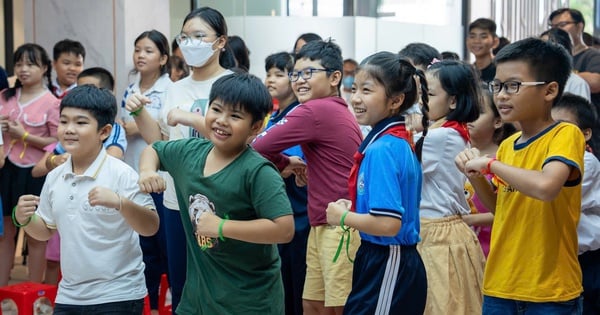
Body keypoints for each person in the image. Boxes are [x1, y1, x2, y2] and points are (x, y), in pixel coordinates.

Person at [138, 72, 293, 314]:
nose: (222, 120)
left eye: (235, 116)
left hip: (249, 303)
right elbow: (155, 150)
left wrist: (220, 227)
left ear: (255, 126)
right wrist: (147, 171)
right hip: (197, 300)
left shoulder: (258, 172)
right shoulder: (189, 153)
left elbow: (284, 229)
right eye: (216, 109)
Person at [456, 37, 584, 313]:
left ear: (550, 90)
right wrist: (476, 176)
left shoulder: (564, 134)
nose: (501, 95)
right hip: (501, 283)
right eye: (498, 86)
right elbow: (502, 208)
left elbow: (546, 187)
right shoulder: (508, 146)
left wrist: (489, 166)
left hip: (549, 290)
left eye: (513, 86)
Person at [123, 7, 234, 313]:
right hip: (176, 199)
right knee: (182, 284)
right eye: (185, 37)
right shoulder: (175, 87)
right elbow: (159, 142)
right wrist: (138, 112)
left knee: (219, 284)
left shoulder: (232, 84)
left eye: (199, 36)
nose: (190, 43)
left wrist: (191, 118)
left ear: (221, 42)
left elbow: (239, 140)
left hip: (221, 198)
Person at [14, 85, 158, 314]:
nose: (69, 129)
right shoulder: (54, 176)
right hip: (69, 296)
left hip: (118, 295)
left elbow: (150, 226)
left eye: (80, 123)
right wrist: (24, 218)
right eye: (64, 121)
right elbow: (45, 230)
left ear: (104, 132)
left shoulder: (122, 173)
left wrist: (121, 203)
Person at [252, 39, 363, 315]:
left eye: (309, 73)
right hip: (325, 224)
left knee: (336, 307)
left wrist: (284, 161)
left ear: (335, 77)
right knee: (313, 305)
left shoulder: (315, 110)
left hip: (339, 226)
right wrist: (293, 164)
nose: (300, 81)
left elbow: (257, 146)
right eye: (296, 74)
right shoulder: (331, 108)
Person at [325, 51, 428, 314]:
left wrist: (343, 217)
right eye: (355, 88)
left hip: (389, 259)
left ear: (395, 101)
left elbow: (388, 224)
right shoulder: (391, 140)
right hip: (384, 260)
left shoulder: (383, 148)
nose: (356, 98)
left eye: (367, 90)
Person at [32, 67, 127, 286]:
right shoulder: (67, 142)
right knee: (55, 260)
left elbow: (113, 156)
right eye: (64, 122)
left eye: (91, 89)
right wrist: (54, 161)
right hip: (65, 210)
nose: (70, 128)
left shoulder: (114, 136)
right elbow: (38, 169)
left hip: (112, 280)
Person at [418, 59, 485, 314]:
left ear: (453, 101)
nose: (421, 101)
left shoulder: (441, 136)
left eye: (430, 94)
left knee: (441, 306)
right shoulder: (444, 131)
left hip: (437, 235)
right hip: (440, 232)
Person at [119, 29, 172, 315]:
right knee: (143, 249)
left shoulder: (169, 88)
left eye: (148, 50)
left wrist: (136, 124)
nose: (140, 55)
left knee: (164, 247)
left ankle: (168, 302)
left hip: (160, 178)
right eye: (138, 49)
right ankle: (147, 305)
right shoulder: (131, 87)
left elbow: (160, 134)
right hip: (132, 174)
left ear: (163, 58)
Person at [0, 43, 60, 286]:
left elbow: (57, 140)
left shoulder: (52, 102)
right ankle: (3, 291)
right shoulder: (5, 96)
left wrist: (23, 135)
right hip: (6, 169)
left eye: (30, 64)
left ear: (44, 68)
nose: (23, 69)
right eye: (19, 64)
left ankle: (34, 291)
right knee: (5, 234)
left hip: (36, 171)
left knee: (36, 235)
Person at [264, 51, 309, 315]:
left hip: (299, 214)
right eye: (268, 73)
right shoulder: (275, 114)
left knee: (296, 289)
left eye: (279, 74)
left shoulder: (299, 115)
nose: (270, 80)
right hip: (279, 211)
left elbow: (293, 163)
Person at [551, 93, 600, 315]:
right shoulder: (552, 159)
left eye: (563, 127)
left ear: (586, 133)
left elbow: (550, 195)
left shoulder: (586, 161)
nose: (554, 135)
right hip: (563, 255)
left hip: (587, 257)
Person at [462, 88, 515, 258]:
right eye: (468, 110)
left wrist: (471, 220)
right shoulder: (457, 153)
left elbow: (510, 209)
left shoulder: (504, 158)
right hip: (462, 244)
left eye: (478, 112)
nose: (469, 117)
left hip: (493, 244)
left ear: (498, 121)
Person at [549, 8, 600, 158]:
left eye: (562, 24)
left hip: (588, 128)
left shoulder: (592, 56)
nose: (557, 29)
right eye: (553, 26)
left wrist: (569, 74)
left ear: (580, 26)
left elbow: (596, 82)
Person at [540, 28, 591, 102]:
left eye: (546, 48)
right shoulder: (535, 80)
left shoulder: (576, 83)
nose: (541, 53)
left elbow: (580, 113)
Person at [467, 18, 499, 84]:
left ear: (495, 42)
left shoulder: (500, 69)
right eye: (472, 36)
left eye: (483, 37)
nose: (476, 41)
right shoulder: (468, 71)